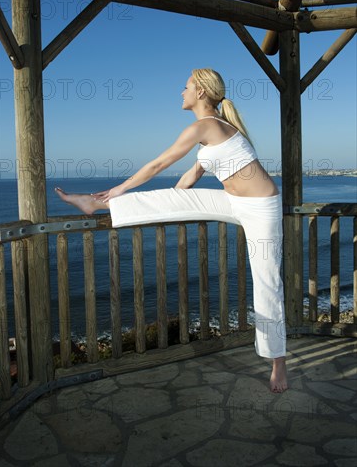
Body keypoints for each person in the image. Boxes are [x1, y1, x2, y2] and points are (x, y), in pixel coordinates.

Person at [56, 68, 287, 393]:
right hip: (233, 202)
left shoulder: (206, 125)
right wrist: (174, 201)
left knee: (267, 282)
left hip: (262, 208)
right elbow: (189, 179)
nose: (182, 92)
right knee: (172, 196)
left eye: (186, 87)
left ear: (201, 92)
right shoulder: (211, 133)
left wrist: (119, 188)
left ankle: (278, 363)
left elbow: (158, 164)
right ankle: (94, 205)